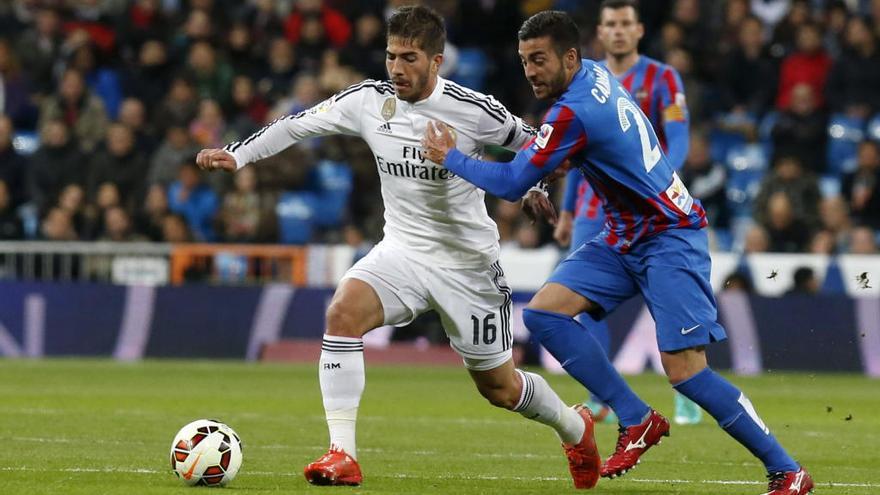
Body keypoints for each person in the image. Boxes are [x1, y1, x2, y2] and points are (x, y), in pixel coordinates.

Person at [195, 5, 600, 489]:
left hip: (467, 267)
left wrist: (535, 189)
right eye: (390, 56)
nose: (396, 69)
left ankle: (576, 427)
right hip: (402, 252)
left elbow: (539, 150)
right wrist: (238, 155)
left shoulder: (475, 110)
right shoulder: (369, 100)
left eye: (409, 58)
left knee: (500, 388)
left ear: (436, 61)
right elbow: (298, 124)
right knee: (342, 313)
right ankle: (342, 453)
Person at [422, 10, 814, 495]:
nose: (530, 71)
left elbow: (509, 182)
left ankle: (788, 469)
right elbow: (563, 156)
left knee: (686, 373)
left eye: (539, 59)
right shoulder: (594, 77)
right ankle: (636, 418)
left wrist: (451, 158)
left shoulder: (573, 110)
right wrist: (542, 175)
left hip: (670, 237)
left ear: (569, 56)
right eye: (524, 61)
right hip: (624, 235)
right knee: (545, 315)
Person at [553, 0, 700, 426]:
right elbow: (578, 149)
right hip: (591, 211)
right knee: (580, 303)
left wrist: (659, 188)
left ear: (639, 31)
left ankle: (687, 390)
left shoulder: (662, 78)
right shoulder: (587, 76)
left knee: (667, 300)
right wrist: (566, 212)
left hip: (646, 209)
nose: (618, 31)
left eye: (626, 24)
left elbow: (680, 140)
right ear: (600, 32)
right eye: (611, 24)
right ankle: (599, 396)